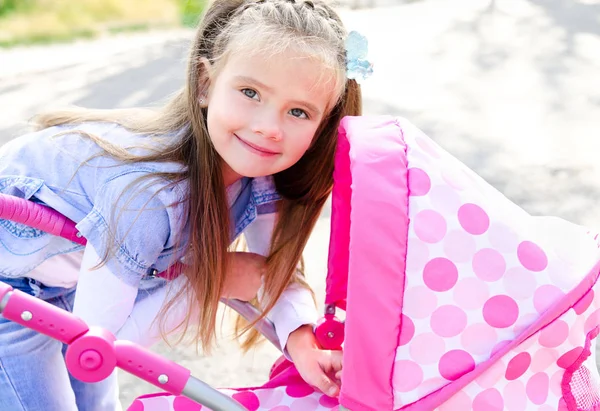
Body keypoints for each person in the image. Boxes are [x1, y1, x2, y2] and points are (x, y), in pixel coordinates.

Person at [0, 0, 365, 410]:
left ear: (323, 126)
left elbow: (271, 271)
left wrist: (302, 337)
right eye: (250, 93)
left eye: (298, 111)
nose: (268, 126)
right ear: (205, 83)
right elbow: (98, 344)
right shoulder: (151, 196)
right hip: (14, 288)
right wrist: (209, 282)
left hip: (67, 289)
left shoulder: (261, 177)